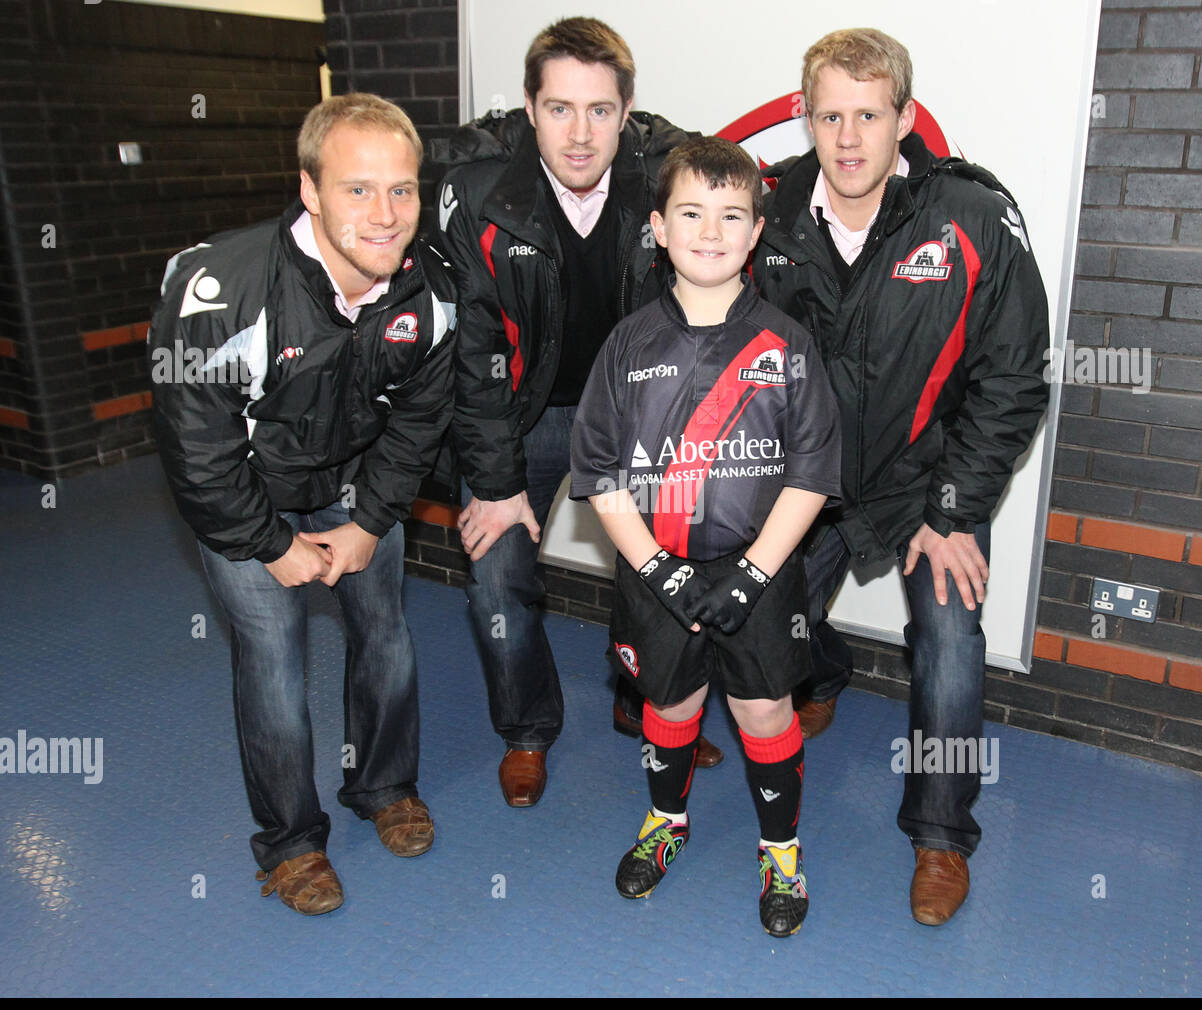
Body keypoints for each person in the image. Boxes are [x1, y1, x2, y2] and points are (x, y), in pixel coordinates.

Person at [753, 28, 1050, 925]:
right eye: (830, 115)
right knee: (768, 620)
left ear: (904, 120)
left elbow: (1012, 377)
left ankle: (941, 833)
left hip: (933, 483)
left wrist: (954, 509)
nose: (848, 138)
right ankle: (826, 671)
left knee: (951, 645)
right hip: (812, 482)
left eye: (868, 116)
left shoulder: (970, 217)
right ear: (807, 120)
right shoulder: (760, 217)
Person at [150, 93, 458, 915]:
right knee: (276, 667)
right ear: (310, 189)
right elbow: (198, 453)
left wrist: (367, 522)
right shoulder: (221, 287)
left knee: (387, 636)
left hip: (355, 490)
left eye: (403, 189)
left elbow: (422, 420)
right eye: (358, 189)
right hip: (248, 504)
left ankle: (385, 784)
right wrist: (273, 545)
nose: (387, 214)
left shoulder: (429, 289)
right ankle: (291, 843)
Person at [433, 17, 723, 810]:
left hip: (632, 423)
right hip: (521, 417)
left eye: (600, 110)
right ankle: (527, 731)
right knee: (496, 580)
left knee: (662, 574)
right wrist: (494, 483)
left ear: (629, 112)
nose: (580, 132)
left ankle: (657, 709)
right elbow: (475, 356)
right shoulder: (487, 200)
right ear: (529, 110)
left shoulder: (668, 178)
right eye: (559, 108)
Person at [571, 137, 841, 936]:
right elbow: (599, 475)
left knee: (763, 714)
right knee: (670, 698)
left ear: (757, 232)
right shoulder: (626, 345)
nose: (712, 231)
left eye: (732, 215)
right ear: (658, 226)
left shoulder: (786, 346)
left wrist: (753, 575)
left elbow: (813, 473)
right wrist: (660, 569)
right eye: (691, 212)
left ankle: (781, 849)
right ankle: (666, 823)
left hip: (760, 577)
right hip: (656, 573)